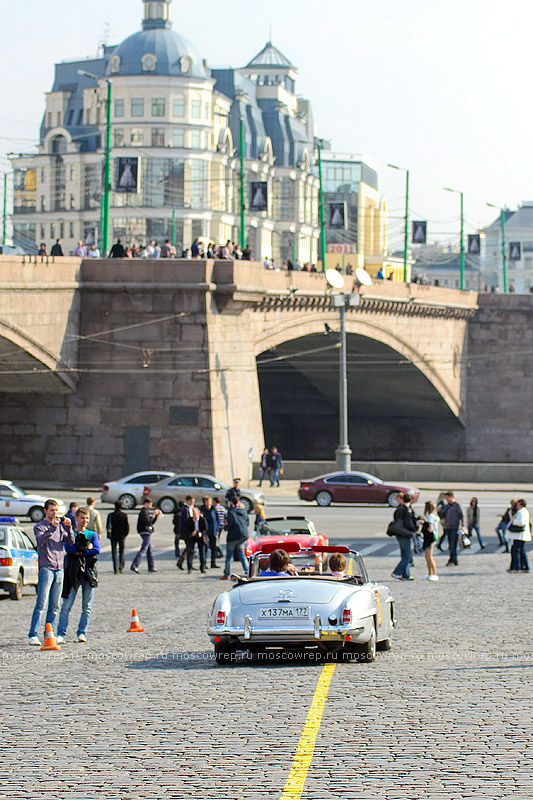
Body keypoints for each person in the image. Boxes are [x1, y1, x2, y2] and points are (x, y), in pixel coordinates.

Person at [28, 500, 74, 645]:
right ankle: (33, 634)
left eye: (56, 510)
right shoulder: (40, 526)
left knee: (55, 605)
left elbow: (71, 541)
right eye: (52, 510)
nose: (55, 513)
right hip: (46, 567)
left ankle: (49, 632)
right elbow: (40, 541)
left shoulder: (60, 526)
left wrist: (69, 527)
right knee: (42, 602)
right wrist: (52, 528)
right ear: (45, 511)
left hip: (59, 567)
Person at [57, 507, 100, 643]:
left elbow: (96, 549)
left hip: (88, 572)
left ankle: (82, 632)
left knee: (87, 606)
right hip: (73, 572)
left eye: (87, 518)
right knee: (66, 605)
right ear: (76, 518)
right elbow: (69, 548)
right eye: (82, 518)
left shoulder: (91, 534)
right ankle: (61, 633)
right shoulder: (71, 533)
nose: (85, 520)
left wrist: (81, 552)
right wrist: (85, 547)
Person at [390, 493, 418, 581]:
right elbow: (408, 522)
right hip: (405, 533)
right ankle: (397, 572)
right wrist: (414, 529)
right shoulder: (406, 509)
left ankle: (406, 575)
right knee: (407, 555)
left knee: (405, 554)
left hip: (399, 533)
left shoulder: (399, 508)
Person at [131, 497, 161, 573]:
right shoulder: (144, 511)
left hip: (146, 531)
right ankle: (135, 564)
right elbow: (148, 522)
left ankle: (151, 566)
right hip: (145, 531)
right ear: (146, 504)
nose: (151, 505)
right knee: (144, 548)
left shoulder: (146, 511)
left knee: (149, 550)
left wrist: (156, 516)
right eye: (150, 504)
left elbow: (151, 522)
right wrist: (154, 514)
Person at [222, 497, 249, 580]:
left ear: (231, 503)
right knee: (242, 555)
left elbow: (230, 524)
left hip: (233, 536)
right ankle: (248, 571)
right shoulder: (244, 511)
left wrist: (225, 527)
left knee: (229, 556)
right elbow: (247, 522)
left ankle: (226, 573)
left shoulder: (231, 512)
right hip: (242, 535)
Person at [438, 491, 464, 566]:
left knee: (453, 545)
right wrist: (439, 512)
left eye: (447, 498)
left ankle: (452, 560)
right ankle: (454, 560)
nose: (446, 500)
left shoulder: (456, 506)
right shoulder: (447, 506)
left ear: (451, 497)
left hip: (455, 527)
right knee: (451, 545)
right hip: (448, 527)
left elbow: (461, 516)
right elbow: (442, 515)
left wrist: (463, 526)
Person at [507, 499, 531, 573]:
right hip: (520, 535)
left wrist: (513, 519)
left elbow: (520, 523)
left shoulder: (522, 512)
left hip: (520, 535)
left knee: (516, 550)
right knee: (521, 550)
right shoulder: (523, 511)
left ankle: (517, 567)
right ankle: (524, 567)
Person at [106, 500, 130, 574]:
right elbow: (127, 526)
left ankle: (115, 568)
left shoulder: (111, 515)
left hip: (113, 535)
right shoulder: (124, 515)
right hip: (122, 535)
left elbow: (108, 526)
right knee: (122, 551)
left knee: (114, 552)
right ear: (121, 506)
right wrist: (125, 534)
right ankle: (121, 567)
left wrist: (109, 534)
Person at [185, 507, 208, 574]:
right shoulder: (189, 520)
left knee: (202, 552)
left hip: (201, 537)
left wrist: (201, 533)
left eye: (195, 514)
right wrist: (191, 533)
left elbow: (206, 529)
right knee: (190, 552)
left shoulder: (202, 519)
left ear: (198, 514)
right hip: (192, 537)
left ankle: (202, 567)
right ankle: (189, 568)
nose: (194, 516)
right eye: (193, 514)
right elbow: (187, 529)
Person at [200, 496, 221, 568]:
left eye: (209, 501)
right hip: (206, 532)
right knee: (205, 548)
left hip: (213, 531)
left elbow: (217, 520)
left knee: (214, 548)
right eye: (206, 501)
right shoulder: (202, 510)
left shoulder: (214, 509)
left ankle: (213, 562)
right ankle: (204, 563)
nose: (208, 503)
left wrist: (217, 529)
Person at [421, 501, 439, 581]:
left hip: (430, 538)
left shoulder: (431, 516)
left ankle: (434, 573)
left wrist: (425, 525)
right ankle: (430, 573)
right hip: (433, 537)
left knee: (429, 556)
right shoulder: (434, 515)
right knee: (427, 556)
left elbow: (430, 529)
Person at [177, 495, 195, 570]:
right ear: (188, 501)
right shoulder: (185, 509)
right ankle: (184, 563)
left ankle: (182, 562)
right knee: (189, 547)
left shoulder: (188, 508)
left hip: (186, 531)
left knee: (189, 547)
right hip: (186, 531)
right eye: (191, 501)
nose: (192, 503)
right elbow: (187, 520)